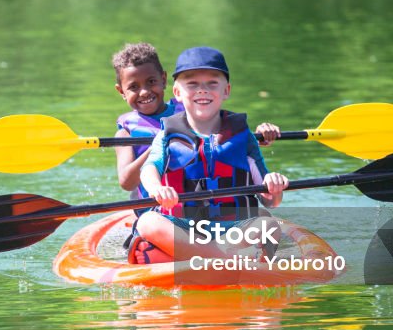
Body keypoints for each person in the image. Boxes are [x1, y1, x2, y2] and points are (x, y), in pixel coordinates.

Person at [131, 46, 287, 265]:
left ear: (226, 90)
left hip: (232, 229)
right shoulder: (167, 135)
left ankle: (192, 257)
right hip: (182, 225)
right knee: (147, 221)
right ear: (177, 92)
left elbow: (271, 201)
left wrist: (274, 186)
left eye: (212, 83)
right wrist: (157, 188)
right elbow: (149, 170)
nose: (202, 90)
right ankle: (226, 261)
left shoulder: (243, 137)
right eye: (192, 84)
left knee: (268, 224)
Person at [112, 43, 181, 198]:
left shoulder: (188, 113)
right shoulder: (125, 134)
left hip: (194, 202)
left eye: (151, 82)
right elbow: (126, 182)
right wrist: (158, 146)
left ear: (163, 79)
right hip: (155, 208)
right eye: (133, 87)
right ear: (121, 91)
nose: (144, 92)